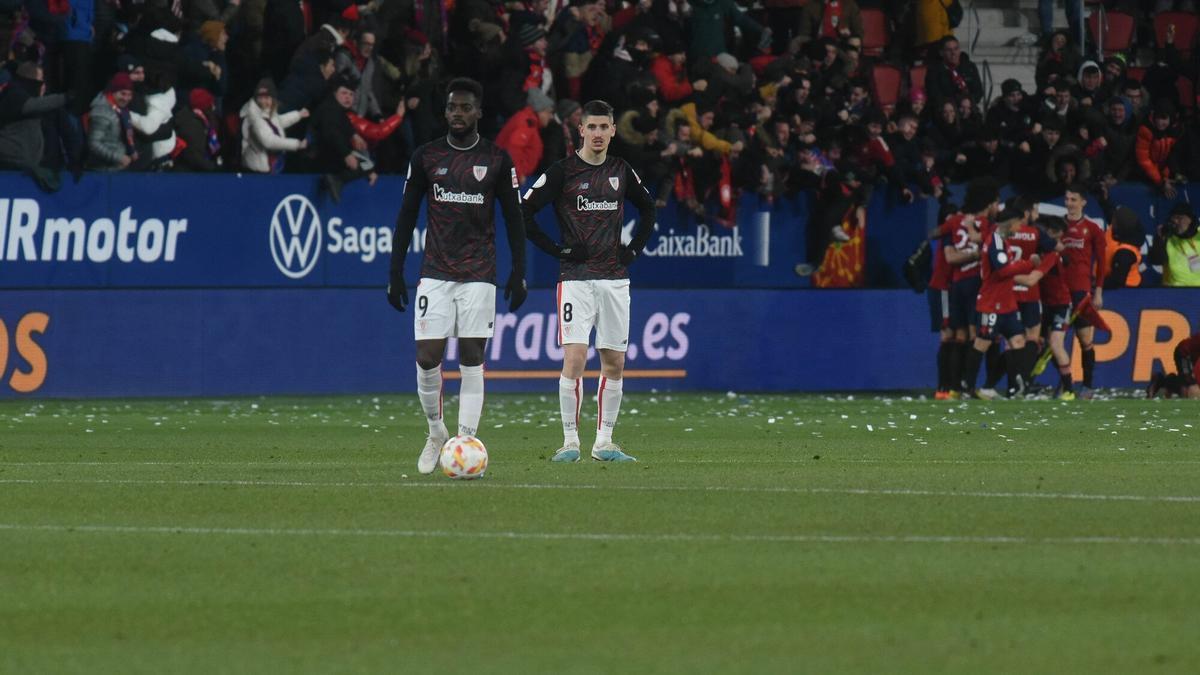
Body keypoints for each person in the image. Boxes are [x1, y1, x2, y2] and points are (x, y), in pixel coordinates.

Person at [387, 77, 528, 475]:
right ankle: (436, 433)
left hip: (480, 273)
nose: (459, 114)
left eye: (466, 107)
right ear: (445, 112)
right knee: (427, 356)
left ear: (479, 111)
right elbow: (406, 216)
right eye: (452, 107)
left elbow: (514, 218)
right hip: (435, 271)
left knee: (472, 357)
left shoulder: (497, 160)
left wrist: (519, 272)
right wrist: (395, 271)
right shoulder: (427, 157)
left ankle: (464, 442)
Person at [520, 99, 656, 463]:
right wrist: (560, 251)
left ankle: (604, 443)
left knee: (614, 363)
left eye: (603, 127)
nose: (597, 134)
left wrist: (633, 251)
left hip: (614, 280)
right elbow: (525, 212)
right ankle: (569, 442)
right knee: (575, 359)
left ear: (613, 131)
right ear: (580, 130)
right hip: (576, 280)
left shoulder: (621, 170)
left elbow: (648, 209)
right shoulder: (563, 171)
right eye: (591, 127)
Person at [962, 205, 1059, 399]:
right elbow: (1003, 271)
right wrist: (1030, 263)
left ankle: (1018, 387)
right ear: (1011, 223)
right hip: (991, 304)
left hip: (1006, 304)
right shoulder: (995, 242)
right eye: (1018, 224)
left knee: (1018, 341)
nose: (1020, 228)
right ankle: (968, 387)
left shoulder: (1001, 241)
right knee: (982, 343)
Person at [1061, 184, 1106, 397]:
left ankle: (1087, 385)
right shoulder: (1057, 227)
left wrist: (1098, 291)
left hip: (1081, 291)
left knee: (1085, 340)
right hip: (1058, 291)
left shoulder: (1093, 229)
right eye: (1067, 199)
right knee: (1054, 340)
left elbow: (1102, 262)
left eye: (1073, 199)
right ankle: (1065, 383)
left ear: (1083, 202)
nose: (1069, 203)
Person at [239, 77, 310, 173]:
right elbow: (269, 141)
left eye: (267, 98)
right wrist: (296, 144)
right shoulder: (253, 118)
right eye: (261, 98)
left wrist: (298, 115)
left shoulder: (267, 113)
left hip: (270, 168)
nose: (264, 102)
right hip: (255, 171)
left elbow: (278, 122)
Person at [1149, 203, 1200, 287]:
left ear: (1190, 220)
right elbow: (1156, 260)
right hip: (1176, 291)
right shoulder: (1169, 238)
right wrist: (1158, 239)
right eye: (1173, 218)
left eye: (1179, 218)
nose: (1176, 221)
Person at [1147, 331, 1200, 399]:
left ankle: (1166, 381)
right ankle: (1163, 381)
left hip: (1191, 355)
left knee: (1188, 385)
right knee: (1190, 383)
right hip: (1184, 353)